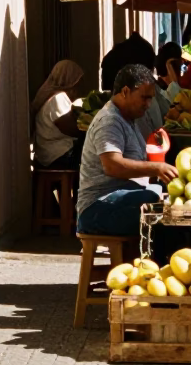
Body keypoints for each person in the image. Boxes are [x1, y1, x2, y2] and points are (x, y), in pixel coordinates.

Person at [76, 64, 178, 236]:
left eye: (150, 98)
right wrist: (157, 168)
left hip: (120, 198)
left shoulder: (129, 118)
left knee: (164, 202)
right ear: (125, 92)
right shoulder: (110, 121)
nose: (148, 104)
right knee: (162, 218)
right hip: (97, 209)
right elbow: (112, 166)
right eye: (144, 98)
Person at [31, 59, 84, 169]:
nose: (77, 89)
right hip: (57, 155)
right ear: (69, 81)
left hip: (47, 155)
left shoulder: (51, 96)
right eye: (76, 84)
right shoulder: (57, 98)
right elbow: (69, 128)